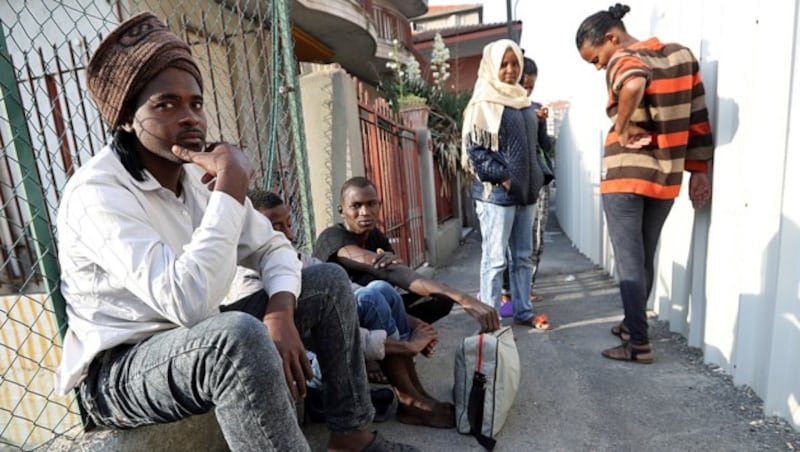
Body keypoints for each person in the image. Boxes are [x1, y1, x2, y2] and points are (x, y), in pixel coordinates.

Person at [54, 12, 414, 452]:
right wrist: (230, 186)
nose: (190, 118)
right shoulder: (98, 191)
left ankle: (352, 434)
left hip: (194, 338)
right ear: (128, 117)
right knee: (235, 337)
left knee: (326, 282)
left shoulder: (194, 177)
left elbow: (274, 247)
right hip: (122, 369)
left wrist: (280, 310)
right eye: (166, 104)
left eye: (196, 103)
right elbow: (187, 301)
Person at [575, 3, 714, 363]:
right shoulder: (681, 56)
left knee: (628, 260)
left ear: (612, 38)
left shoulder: (625, 57)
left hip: (625, 174)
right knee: (645, 253)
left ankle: (638, 343)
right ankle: (630, 325)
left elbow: (633, 79)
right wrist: (699, 169)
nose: (599, 67)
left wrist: (620, 127)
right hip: (664, 176)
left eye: (596, 58)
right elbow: (698, 117)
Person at [245, 190, 451, 429]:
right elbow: (333, 333)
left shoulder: (292, 257)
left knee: (379, 289)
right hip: (305, 367)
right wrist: (406, 346)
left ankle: (414, 392)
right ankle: (409, 401)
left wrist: (418, 327)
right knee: (371, 298)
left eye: (289, 225)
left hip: (336, 346)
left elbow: (348, 289)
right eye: (276, 227)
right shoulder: (249, 278)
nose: (289, 235)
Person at [314, 176, 500, 334]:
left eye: (371, 204)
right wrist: (464, 298)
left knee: (441, 299)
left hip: (371, 310)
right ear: (342, 211)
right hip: (337, 320)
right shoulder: (332, 237)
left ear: (380, 205)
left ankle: (397, 340)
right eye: (356, 206)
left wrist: (397, 266)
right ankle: (378, 355)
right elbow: (388, 272)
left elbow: (399, 275)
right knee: (374, 286)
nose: (365, 212)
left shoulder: (374, 236)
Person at [461, 39, 552, 330]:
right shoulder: (483, 103)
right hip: (497, 196)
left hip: (526, 194)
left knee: (523, 257)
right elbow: (475, 151)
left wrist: (538, 176)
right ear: (491, 65)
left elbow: (538, 146)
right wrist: (504, 178)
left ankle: (523, 310)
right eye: (504, 64)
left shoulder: (523, 102)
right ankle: (490, 315)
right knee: (495, 258)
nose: (510, 70)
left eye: (515, 64)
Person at [499, 56, 555, 311]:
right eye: (523, 86)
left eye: (531, 88)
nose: (526, 92)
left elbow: (545, 147)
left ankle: (525, 289)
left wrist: (541, 124)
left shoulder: (536, 108)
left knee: (534, 237)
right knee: (506, 239)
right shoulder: (497, 106)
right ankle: (506, 291)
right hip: (508, 182)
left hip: (535, 180)